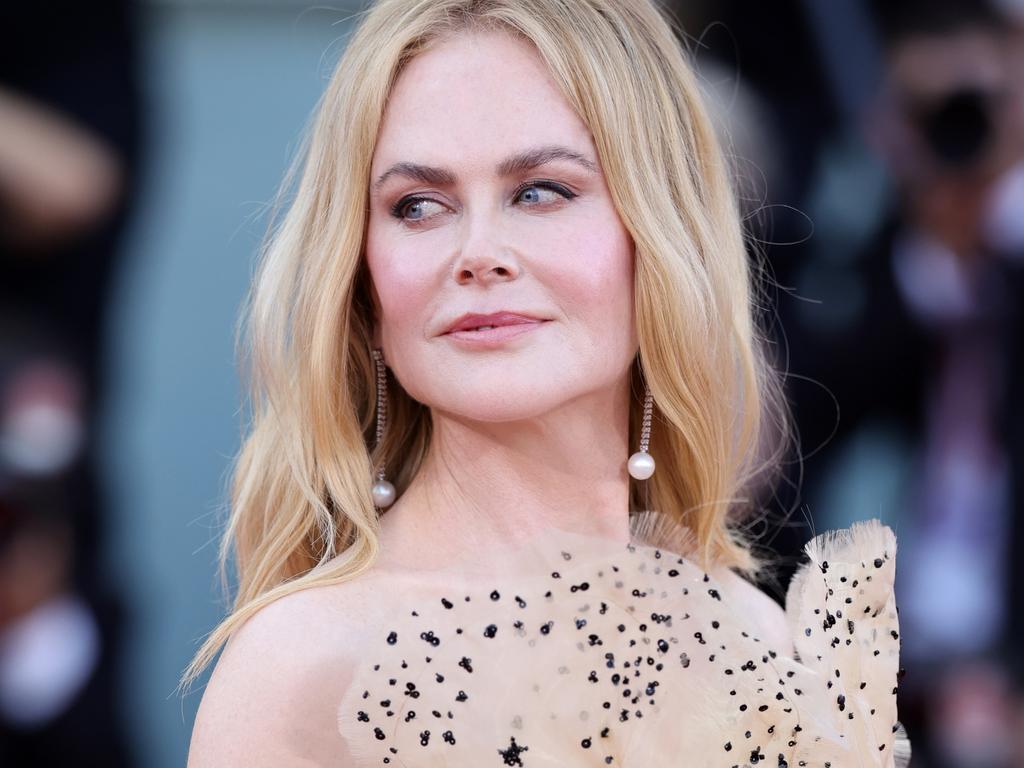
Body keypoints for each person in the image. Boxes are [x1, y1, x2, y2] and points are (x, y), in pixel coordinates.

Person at [183, 1, 910, 765]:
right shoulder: (305, 668)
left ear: (660, 237)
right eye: (418, 206)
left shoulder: (766, 649)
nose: (479, 252)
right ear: (364, 289)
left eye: (540, 191)